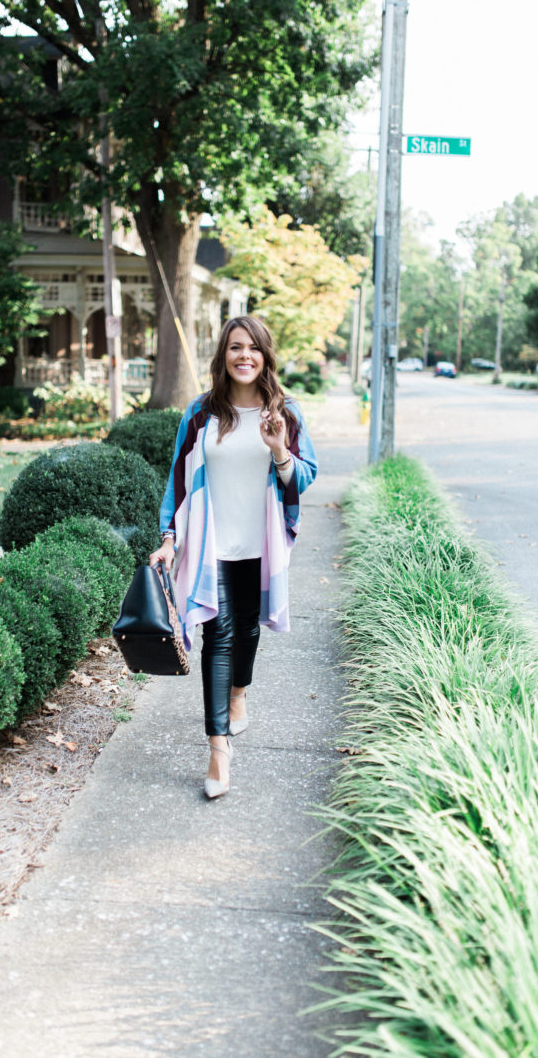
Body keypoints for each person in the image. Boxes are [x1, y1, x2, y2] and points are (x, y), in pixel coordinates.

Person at [149, 316, 317, 800]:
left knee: (247, 628)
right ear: (223, 355)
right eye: (235, 348)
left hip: (261, 545)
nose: (244, 356)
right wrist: (169, 537)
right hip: (210, 546)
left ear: (265, 356)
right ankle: (218, 749)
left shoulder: (286, 412)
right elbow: (178, 479)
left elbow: (303, 480)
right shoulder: (201, 413)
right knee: (217, 634)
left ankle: (240, 693)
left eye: (253, 349)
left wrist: (279, 450)